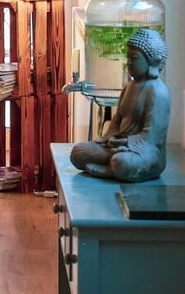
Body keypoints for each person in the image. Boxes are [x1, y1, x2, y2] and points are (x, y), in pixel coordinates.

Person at [69, 27, 171, 183]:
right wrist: (111, 139)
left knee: (121, 162)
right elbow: (116, 122)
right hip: (118, 146)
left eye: (134, 58)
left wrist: (126, 142)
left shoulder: (158, 92)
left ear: (152, 61)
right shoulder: (129, 87)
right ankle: (112, 166)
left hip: (144, 152)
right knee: (78, 153)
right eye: (128, 57)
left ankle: (111, 169)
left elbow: (152, 138)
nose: (129, 62)